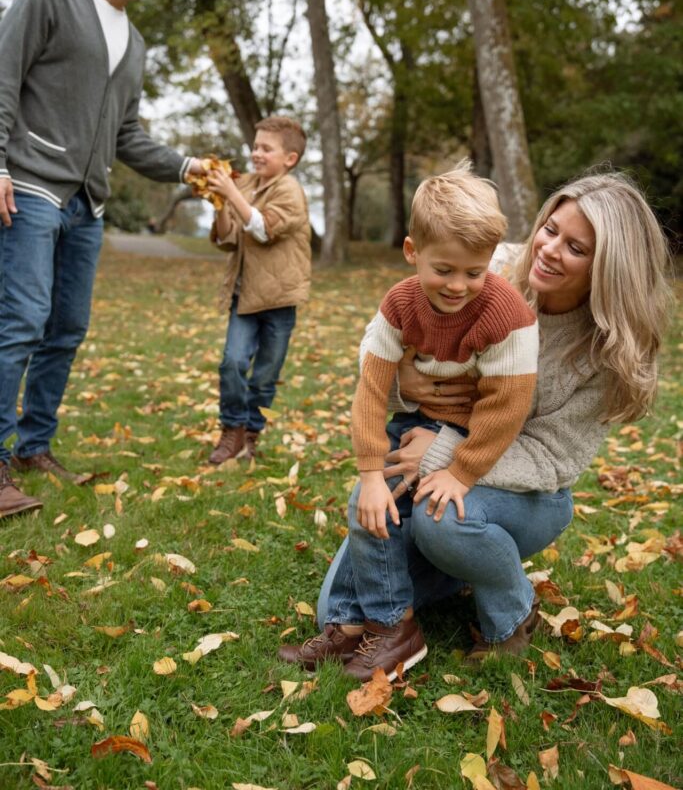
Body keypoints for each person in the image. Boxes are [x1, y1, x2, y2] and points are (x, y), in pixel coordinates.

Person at [307, 169, 671, 672]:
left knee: (441, 520)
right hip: (438, 441)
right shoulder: (485, 262)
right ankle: (446, 576)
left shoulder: (605, 353)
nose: (548, 250)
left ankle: (511, 610)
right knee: (338, 605)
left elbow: (552, 458)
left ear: (609, 266)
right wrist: (406, 385)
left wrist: (442, 458)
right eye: (550, 229)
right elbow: (384, 352)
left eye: (577, 248)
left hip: (528, 493)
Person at [280, 163, 539, 681]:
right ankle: (374, 625)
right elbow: (372, 390)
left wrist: (460, 470)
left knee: (422, 509)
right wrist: (371, 474)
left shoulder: (504, 314)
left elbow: (505, 408)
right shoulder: (400, 303)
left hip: (471, 431)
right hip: (417, 417)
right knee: (366, 503)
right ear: (411, 252)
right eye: (443, 269)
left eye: (474, 271)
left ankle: (397, 629)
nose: (458, 285)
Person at [0, 0, 205, 519]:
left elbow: (127, 136)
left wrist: (187, 168)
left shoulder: (135, 42)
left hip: (87, 206)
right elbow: (3, 76)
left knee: (66, 329)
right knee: (21, 322)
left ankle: (34, 447)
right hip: (31, 185)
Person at [206, 116, 311, 464]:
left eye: (266, 148)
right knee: (232, 361)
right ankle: (232, 429)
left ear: (289, 159)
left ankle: (251, 433)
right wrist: (221, 203)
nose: (256, 154)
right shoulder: (246, 184)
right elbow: (229, 238)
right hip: (245, 294)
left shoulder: (289, 191)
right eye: (254, 146)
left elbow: (264, 228)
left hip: (280, 298)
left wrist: (232, 194)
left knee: (265, 374)